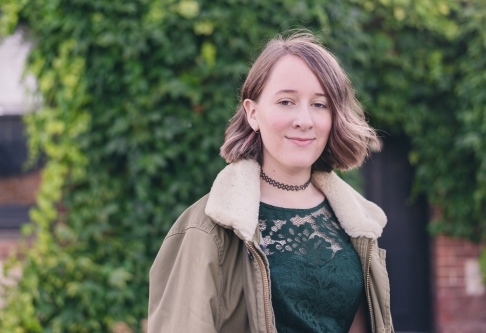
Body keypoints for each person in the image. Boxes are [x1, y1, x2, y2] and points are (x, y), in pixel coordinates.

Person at [147, 31, 394, 333]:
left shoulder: (357, 222)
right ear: (253, 113)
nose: (304, 119)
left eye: (320, 104)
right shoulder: (207, 229)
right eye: (286, 101)